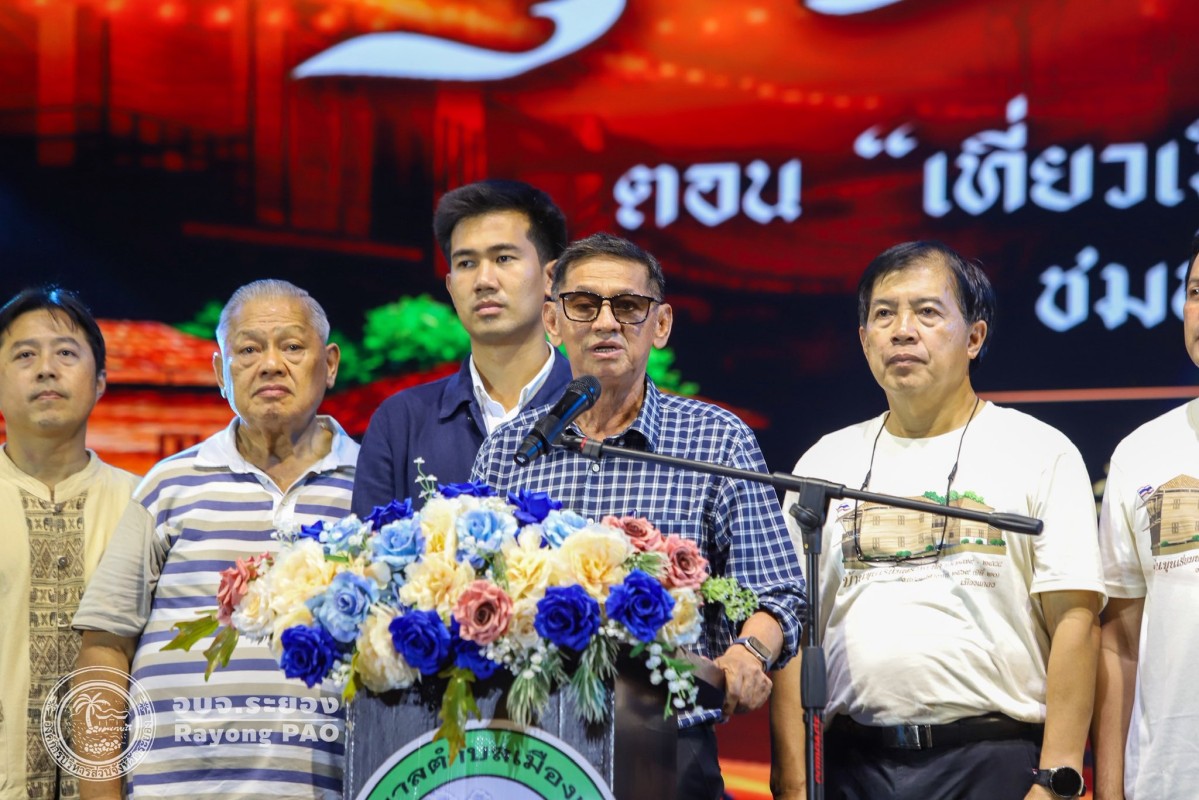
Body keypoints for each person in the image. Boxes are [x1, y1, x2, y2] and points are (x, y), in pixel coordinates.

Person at [472, 232, 807, 800]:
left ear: (661, 324)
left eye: (628, 306)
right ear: (553, 322)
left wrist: (748, 652)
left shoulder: (715, 440)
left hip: (669, 749)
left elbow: (779, 593)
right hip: (528, 750)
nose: (606, 322)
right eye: (584, 305)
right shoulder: (510, 449)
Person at [770, 241, 1104, 800]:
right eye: (884, 314)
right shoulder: (824, 463)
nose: (903, 331)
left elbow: (1076, 619)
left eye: (927, 312)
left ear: (974, 337)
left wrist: (1057, 779)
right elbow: (793, 627)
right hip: (852, 767)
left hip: (995, 762)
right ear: (864, 340)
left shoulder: (1040, 451)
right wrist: (794, 781)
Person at [73, 280, 358, 799]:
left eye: (292, 346)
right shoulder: (167, 485)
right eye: (248, 350)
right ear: (219, 372)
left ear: (331, 363)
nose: (270, 365)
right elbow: (103, 649)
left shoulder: (373, 486)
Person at [351, 179, 574, 513]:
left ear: (551, 278)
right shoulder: (401, 421)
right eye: (467, 263)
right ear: (451, 287)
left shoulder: (600, 413)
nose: (484, 281)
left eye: (503, 258)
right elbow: (366, 545)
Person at [0, 287, 139, 800]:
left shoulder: (144, 506)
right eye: (24, 355)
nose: (45, 370)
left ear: (99, 382)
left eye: (65, 353)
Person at [1092, 233, 1199, 800]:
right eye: (1197, 292)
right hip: (1168, 781)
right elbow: (1119, 643)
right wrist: (1110, 789)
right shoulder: (1141, 453)